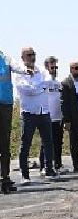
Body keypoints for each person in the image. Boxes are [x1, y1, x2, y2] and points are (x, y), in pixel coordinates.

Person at [14, 47, 57, 184]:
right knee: (26, 143)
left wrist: (39, 86)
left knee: (48, 142)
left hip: (43, 111)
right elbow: (27, 90)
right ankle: (25, 175)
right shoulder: (19, 73)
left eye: (33, 54)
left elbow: (50, 82)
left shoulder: (41, 71)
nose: (32, 57)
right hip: (29, 113)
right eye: (29, 55)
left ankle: (49, 169)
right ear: (23, 57)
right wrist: (41, 87)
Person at [0, 49, 29, 193]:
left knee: (5, 142)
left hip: (5, 103)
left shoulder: (6, 59)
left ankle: (4, 177)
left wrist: (26, 70)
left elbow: (18, 67)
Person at [39, 56, 64, 174]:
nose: (54, 69)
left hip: (58, 117)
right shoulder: (44, 81)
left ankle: (58, 164)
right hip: (48, 116)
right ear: (46, 67)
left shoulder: (58, 83)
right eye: (52, 67)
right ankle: (43, 166)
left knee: (58, 142)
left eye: (56, 67)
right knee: (46, 142)